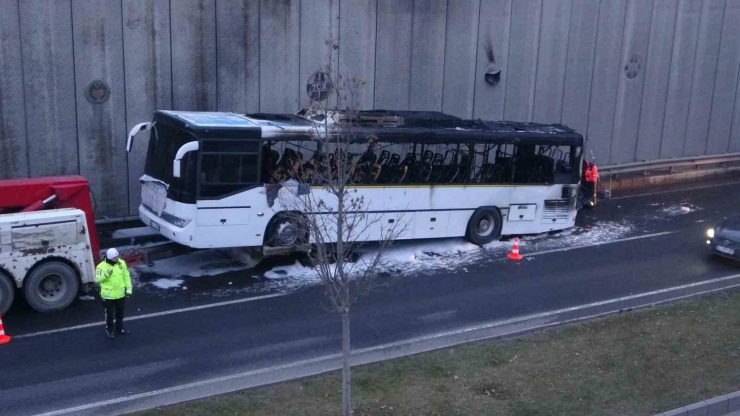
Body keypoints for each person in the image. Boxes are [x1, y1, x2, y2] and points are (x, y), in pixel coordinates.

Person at [95, 248, 132, 339]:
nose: (117, 258)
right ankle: (110, 330)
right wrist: (106, 275)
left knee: (120, 313)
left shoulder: (121, 263)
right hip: (108, 296)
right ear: (110, 258)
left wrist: (129, 290)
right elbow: (98, 279)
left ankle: (119, 328)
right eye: (115, 257)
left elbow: (126, 276)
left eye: (118, 256)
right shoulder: (101, 266)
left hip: (120, 294)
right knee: (109, 315)